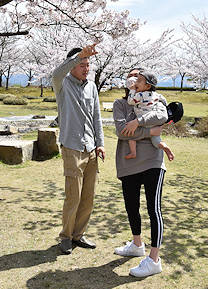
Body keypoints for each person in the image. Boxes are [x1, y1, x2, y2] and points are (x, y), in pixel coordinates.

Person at [113, 67, 168, 277]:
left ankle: (154, 259)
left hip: (153, 159)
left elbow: (161, 120)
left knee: (153, 209)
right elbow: (121, 131)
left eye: (138, 77)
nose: (134, 80)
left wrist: (137, 123)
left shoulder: (156, 98)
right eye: (130, 76)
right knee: (131, 206)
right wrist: (149, 130)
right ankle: (137, 245)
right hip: (128, 164)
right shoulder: (120, 104)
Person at [52, 43, 105, 255]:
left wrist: (100, 143)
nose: (86, 68)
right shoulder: (62, 83)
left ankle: (78, 234)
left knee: (88, 196)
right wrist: (78, 56)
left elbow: (96, 117)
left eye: (88, 64)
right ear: (72, 65)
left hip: (90, 148)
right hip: (72, 147)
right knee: (73, 196)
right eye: (81, 64)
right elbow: (57, 71)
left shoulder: (91, 87)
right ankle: (65, 236)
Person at [125, 70, 174, 161]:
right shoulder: (156, 95)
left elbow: (130, 101)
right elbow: (163, 100)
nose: (135, 82)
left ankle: (133, 152)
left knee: (132, 136)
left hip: (141, 120)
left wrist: (132, 90)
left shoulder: (140, 95)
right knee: (156, 140)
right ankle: (164, 146)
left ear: (148, 86)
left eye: (139, 81)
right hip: (153, 122)